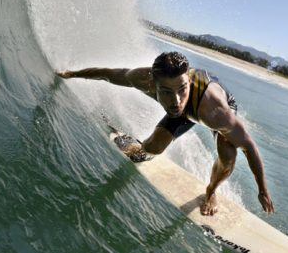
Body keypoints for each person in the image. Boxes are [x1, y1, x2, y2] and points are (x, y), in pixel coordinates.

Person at [56, 51, 274, 216]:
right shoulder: (141, 79)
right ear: (153, 84)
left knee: (228, 156)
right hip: (189, 111)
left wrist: (262, 190)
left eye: (181, 89)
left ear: (188, 81)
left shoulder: (217, 112)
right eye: (167, 92)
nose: (176, 100)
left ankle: (211, 191)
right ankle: (139, 147)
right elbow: (106, 75)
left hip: (205, 106)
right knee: (151, 150)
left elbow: (249, 146)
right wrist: (71, 74)